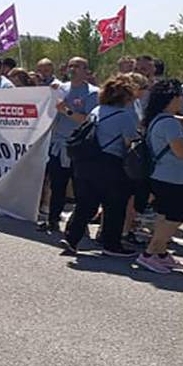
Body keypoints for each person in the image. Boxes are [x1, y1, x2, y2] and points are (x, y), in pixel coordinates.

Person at [60, 74, 140, 257]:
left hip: (86, 161)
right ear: (126, 97)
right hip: (110, 163)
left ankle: (72, 238)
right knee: (114, 204)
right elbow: (130, 142)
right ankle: (111, 244)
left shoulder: (97, 109)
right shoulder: (126, 116)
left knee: (85, 203)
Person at [136, 80, 183, 272]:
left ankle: (161, 253)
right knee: (176, 217)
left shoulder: (158, 118)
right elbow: (182, 152)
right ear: (172, 99)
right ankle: (149, 253)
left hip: (162, 175)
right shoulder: (169, 122)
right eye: (181, 96)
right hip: (172, 178)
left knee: (164, 215)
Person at [40, 57, 98, 234]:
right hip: (58, 144)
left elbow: (88, 120)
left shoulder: (92, 93)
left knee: (80, 187)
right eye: (70, 65)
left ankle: (78, 225)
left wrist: (67, 110)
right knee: (57, 185)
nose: (72, 69)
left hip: (79, 147)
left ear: (86, 71)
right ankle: (52, 220)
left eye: (77, 66)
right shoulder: (60, 89)